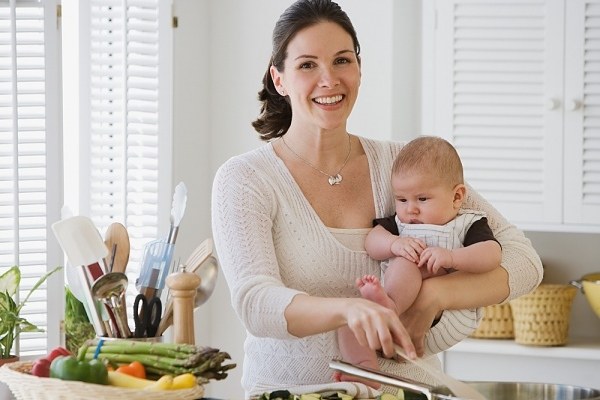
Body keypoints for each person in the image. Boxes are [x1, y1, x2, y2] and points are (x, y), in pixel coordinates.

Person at [211, 0, 543, 398]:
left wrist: (437, 294)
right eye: (307, 65)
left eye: (342, 60)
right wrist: (350, 309)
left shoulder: (405, 166)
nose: (329, 79)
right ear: (279, 79)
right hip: (292, 392)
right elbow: (256, 303)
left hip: (410, 390)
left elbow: (525, 261)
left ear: (359, 69)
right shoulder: (246, 178)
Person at [336, 136, 502, 375]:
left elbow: (492, 255)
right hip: (400, 305)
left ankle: (390, 304)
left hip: (445, 314)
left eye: (422, 199)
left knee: (407, 264)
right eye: (402, 199)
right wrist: (394, 243)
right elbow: (372, 241)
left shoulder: (467, 223)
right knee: (348, 322)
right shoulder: (399, 223)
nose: (410, 209)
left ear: (457, 197)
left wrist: (452, 258)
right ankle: (363, 370)